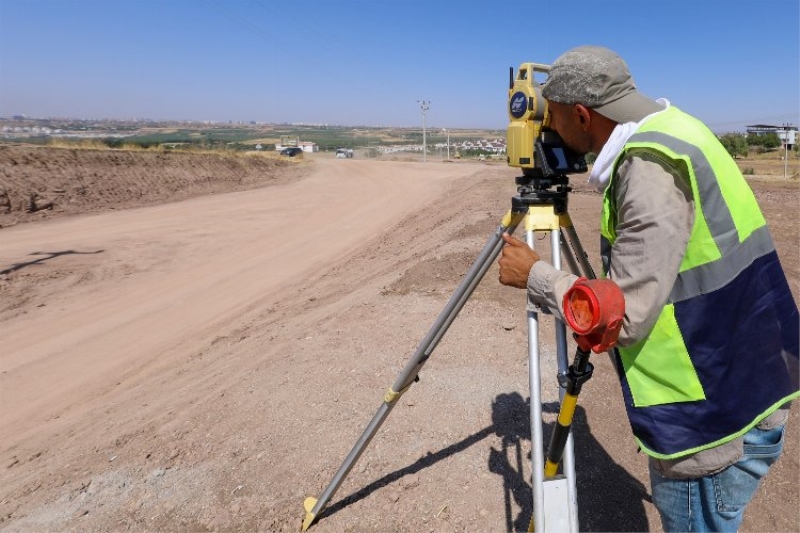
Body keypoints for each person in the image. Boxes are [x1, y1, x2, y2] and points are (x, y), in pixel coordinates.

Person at [497, 45, 799, 533]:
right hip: (746, 377)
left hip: (712, 421)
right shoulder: (678, 128)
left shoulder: (649, 170)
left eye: (552, 119)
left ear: (582, 113)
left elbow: (624, 315)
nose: (549, 131)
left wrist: (534, 275)